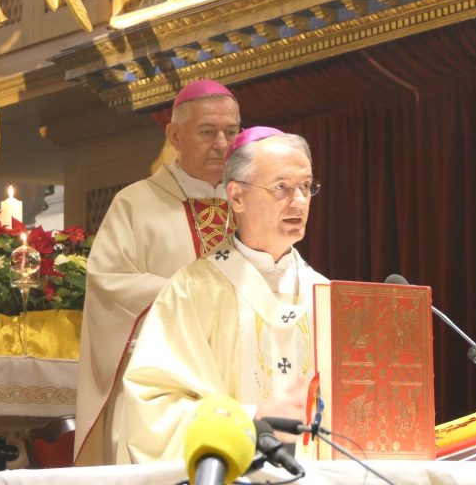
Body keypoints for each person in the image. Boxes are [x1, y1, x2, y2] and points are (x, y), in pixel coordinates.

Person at [116, 126, 328, 463]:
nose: (299, 201)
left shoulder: (325, 295)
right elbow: (153, 406)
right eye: (281, 187)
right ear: (237, 196)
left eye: (305, 186)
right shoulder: (193, 291)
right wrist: (252, 419)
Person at [73, 79, 241, 466]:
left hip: (236, 378)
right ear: (175, 135)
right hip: (159, 393)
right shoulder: (135, 203)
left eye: (231, 132)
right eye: (207, 132)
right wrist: (187, 296)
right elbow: (108, 283)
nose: (221, 143)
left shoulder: (249, 204)